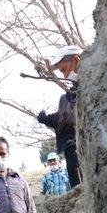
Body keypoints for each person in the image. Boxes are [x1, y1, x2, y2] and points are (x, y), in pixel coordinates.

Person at [36, 45, 82, 188]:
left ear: (76, 60)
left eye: (64, 70)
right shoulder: (73, 93)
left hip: (73, 144)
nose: (65, 76)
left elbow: (62, 118)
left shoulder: (73, 97)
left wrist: (43, 117)